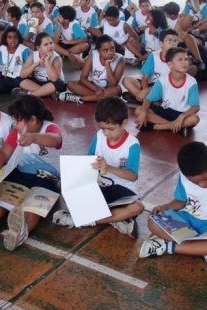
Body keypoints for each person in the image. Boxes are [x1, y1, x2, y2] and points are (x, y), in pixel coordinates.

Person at [0, 95, 62, 250]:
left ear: (33, 120)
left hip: (48, 177)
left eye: (17, 120)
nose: (14, 124)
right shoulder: (16, 132)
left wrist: (33, 137)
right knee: (3, 199)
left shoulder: (50, 127)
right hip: (21, 172)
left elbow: (55, 139)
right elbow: (3, 153)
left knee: (33, 206)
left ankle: (21, 230)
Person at [138, 142, 207, 274]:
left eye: (205, 179)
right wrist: (164, 207)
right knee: (153, 222)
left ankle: (165, 246)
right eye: (194, 182)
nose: (201, 185)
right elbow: (181, 201)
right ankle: (206, 251)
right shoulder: (184, 176)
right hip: (187, 219)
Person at [51, 96, 145, 237]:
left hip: (122, 192)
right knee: (66, 193)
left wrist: (108, 167)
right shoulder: (100, 136)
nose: (106, 133)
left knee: (137, 207)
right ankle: (116, 219)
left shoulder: (132, 144)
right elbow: (89, 160)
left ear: (124, 123)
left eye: (111, 129)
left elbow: (132, 176)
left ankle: (83, 220)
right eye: (103, 128)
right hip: (100, 187)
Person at [134, 47, 200, 136]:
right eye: (180, 60)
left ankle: (157, 127)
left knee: (194, 119)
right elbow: (148, 99)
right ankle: (175, 127)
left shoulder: (191, 82)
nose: (184, 62)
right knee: (139, 111)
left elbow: (196, 107)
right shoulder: (163, 80)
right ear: (170, 64)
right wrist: (144, 112)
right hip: (165, 109)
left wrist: (182, 116)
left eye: (186, 59)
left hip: (182, 113)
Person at [60, 35, 124, 104]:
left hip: (109, 88)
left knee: (116, 91)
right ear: (99, 51)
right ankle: (100, 98)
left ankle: (81, 99)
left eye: (112, 49)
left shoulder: (120, 59)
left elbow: (113, 84)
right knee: (71, 84)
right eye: (105, 50)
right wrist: (97, 89)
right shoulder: (93, 55)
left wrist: (107, 64)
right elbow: (83, 78)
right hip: (94, 86)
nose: (110, 53)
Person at [121, 29, 178, 104]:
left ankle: (143, 100)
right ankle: (148, 100)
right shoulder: (154, 56)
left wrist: (145, 91)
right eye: (169, 41)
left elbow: (171, 83)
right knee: (126, 80)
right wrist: (146, 92)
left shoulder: (179, 58)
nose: (173, 44)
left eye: (175, 41)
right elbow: (145, 79)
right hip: (151, 85)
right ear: (161, 43)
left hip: (166, 87)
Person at [13, 32, 66, 99]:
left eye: (51, 43)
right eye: (46, 44)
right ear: (38, 47)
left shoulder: (56, 58)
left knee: (60, 84)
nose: (50, 46)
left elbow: (54, 79)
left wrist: (47, 61)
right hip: (38, 83)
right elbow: (22, 75)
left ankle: (29, 95)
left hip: (52, 83)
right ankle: (47, 93)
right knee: (18, 79)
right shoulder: (33, 55)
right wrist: (35, 65)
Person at [0, 26, 30, 95]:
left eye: (15, 37)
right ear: (6, 39)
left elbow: (28, 69)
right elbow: (3, 65)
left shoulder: (24, 50)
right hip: (6, 75)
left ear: (18, 39)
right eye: (9, 38)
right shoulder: (2, 49)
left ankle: (21, 89)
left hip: (19, 77)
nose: (12, 40)